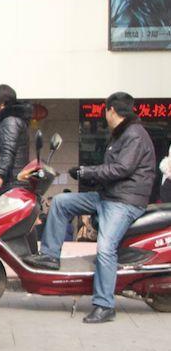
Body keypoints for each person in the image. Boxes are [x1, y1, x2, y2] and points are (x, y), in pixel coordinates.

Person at [24, 92, 156, 324]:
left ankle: (105, 305)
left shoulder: (134, 135)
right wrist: (88, 172)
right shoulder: (122, 134)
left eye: (105, 111)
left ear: (111, 110)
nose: (105, 115)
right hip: (108, 196)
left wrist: (87, 172)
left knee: (106, 248)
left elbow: (121, 169)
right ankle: (50, 256)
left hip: (125, 202)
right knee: (62, 202)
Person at [0, 84, 32, 193]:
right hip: (11, 181)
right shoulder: (10, 121)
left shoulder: (10, 122)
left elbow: (7, 151)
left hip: (12, 183)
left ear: (2, 103)